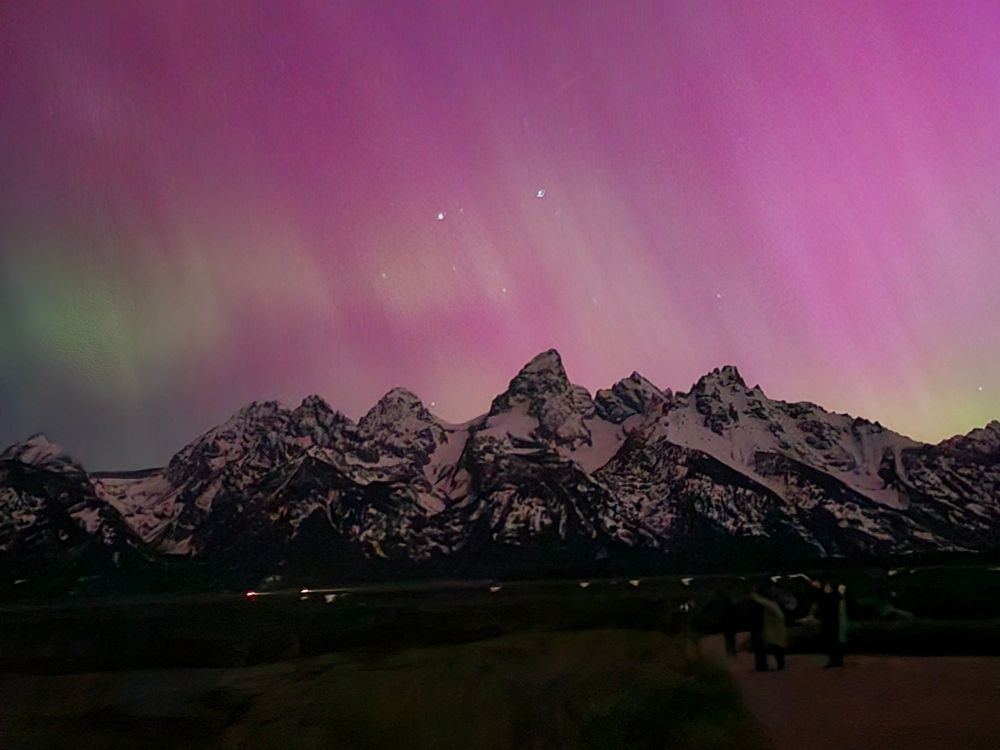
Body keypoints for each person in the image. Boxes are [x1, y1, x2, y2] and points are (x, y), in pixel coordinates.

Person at [750, 585, 788, 670]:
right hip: (774, 628)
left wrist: (755, 596)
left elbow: (767, 604)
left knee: (776, 646)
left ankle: (780, 664)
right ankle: (780, 664)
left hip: (774, 628)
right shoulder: (773, 604)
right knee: (777, 646)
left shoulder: (771, 604)